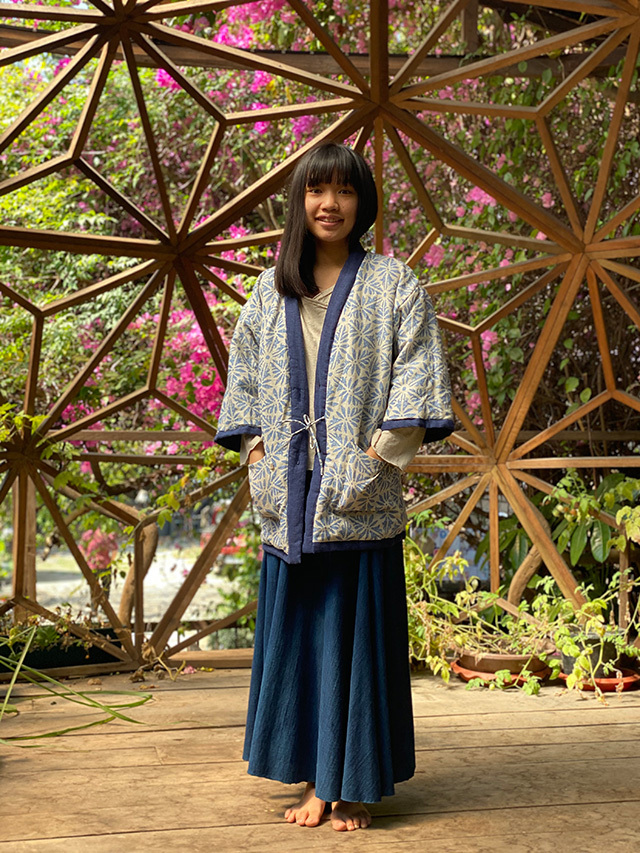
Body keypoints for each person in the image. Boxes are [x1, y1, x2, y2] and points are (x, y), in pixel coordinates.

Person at [215, 142, 453, 831]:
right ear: (300, 201)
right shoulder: (271, 291)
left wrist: (373, 457)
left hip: (358, 495)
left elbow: (418, 374)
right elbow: (244, 383)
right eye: (317, 190)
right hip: (289, 495)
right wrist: (260, 454)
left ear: (362, 202)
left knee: (355, 644)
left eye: (344, 191)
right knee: (305, 643)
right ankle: (318, 781)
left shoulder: (393, 283)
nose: (330, 204)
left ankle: (351, 786)